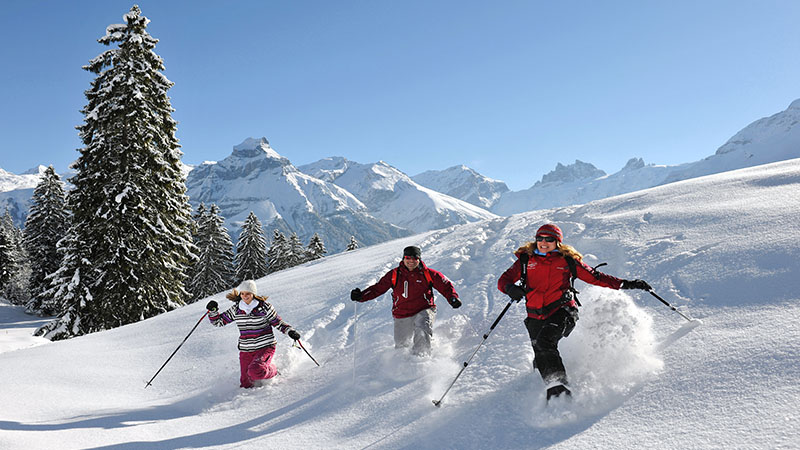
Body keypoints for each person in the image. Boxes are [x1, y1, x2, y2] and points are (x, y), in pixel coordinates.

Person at [497, 224, 652, 401]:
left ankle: (559, 389)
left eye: (549, 239)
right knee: (539, 353)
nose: (543, 242)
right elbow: (504, 279)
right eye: (540, 238)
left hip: (562, 311)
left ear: (558, 242)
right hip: (534, 314)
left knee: (544, 342)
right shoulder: (526, 260)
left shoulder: (567, 260)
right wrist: (510, 288)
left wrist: (627, 283)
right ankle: (544, 384)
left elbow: (596, 277)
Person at [350, 245, 462, 356]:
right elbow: (378, 288)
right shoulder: (394, 274)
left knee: (422, 327)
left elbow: (445, 286)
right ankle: (404, 366)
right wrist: (361, 296)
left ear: (419, 259)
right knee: (401, 345)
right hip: (402, 313)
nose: (411, 261)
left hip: (424, 308)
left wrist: (452, 298)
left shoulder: (428, 274)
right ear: (403, 258)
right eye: (408, 258)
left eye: (414, 258)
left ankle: (421, 359)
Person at [206, 279, 301, 388]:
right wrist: (213, 311)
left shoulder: (264, 307)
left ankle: (274, 371)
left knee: (256, 370)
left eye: (248, 294)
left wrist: (290, 331)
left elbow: (277, 322)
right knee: (246, 384)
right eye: (242, 293)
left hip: (265, 346)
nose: (245, 296)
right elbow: (219, 322)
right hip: (246, 350)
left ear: (253, 294)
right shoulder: (236, 309)